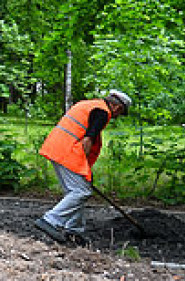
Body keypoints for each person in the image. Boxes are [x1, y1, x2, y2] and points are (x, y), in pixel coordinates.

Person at [35, 90, 131, 242]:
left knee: (73, 192)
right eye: (120, 112)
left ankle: (74, 230)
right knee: (81, 192)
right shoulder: (102, 112)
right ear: (116, 106)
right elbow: (87, 140)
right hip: (68, 151)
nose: (117, 115)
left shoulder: (89, 104)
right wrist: (84, 166)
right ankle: (50, 220)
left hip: (56, 147)